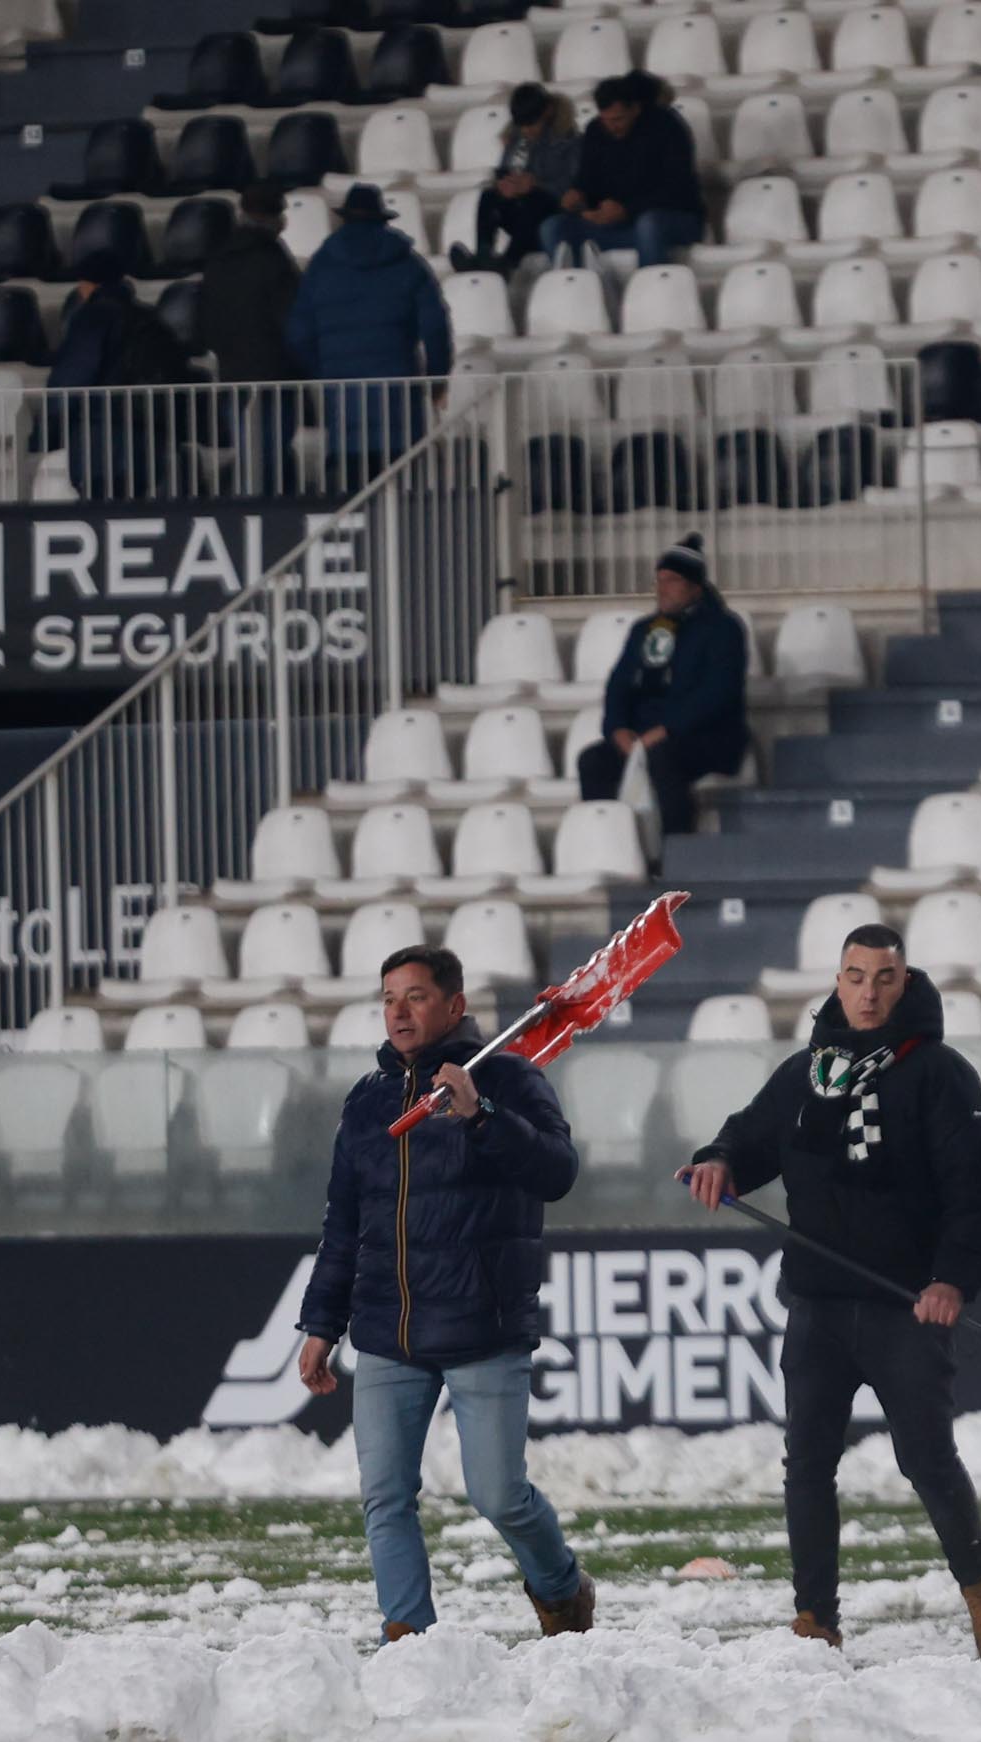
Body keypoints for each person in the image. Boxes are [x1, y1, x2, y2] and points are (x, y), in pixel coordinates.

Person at [681, 926, 981, 1658]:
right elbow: (751, 1137)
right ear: (837, 982)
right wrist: (719, 1159)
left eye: (885, 977)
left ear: (906, 982)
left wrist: (953, 1279)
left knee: (926, 1459)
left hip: (907, 1308)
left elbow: (979, 1193)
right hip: (817, 1306)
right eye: (856, 976)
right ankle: (815, 1619)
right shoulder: (809, 1069)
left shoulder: (941, 1072)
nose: (869, 992)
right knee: (808, 1463)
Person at [295, 944, 598, 1646]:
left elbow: (558, 1171)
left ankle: (561, 1588)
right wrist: (321, 1322)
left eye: (417, 996)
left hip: (481, 1324)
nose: (399, 1011)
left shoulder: (509, 1078)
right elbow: (344, 1219)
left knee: (497, 1494)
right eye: (389, 998)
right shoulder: (369, 1100)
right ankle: (410, 1637)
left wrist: (481, 1114)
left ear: (455, 1005)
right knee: (385, 1497)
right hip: (387, 1331)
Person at [579, 536, 750, 844]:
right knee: (593, 760)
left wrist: (667, 729)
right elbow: (618, 685)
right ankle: (608, 847)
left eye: (672, 580)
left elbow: (718, 693)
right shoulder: (645, 630)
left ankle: (676, 851)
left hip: (706, 738)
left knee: (664, 758)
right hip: (643, 738)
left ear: (695, 586)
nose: (662, 588)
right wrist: (617, 728)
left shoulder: (724, 629)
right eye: (659, 580)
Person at [287, 182, 452, 489]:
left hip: (344, 398)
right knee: (403, 499)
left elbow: (298, 334)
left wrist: (325, 374)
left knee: (355, 498)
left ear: (345, 219)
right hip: (399, 397)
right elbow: (435, 327)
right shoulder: (408, 263)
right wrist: (437, 379)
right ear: (381, 220)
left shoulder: (321, 266)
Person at [45, 249, 193, 495]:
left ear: (87, 285)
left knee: (99, 515)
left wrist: (48, 426)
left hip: (100, 441)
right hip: (147, 436)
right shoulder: (151, 319)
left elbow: (73, 375)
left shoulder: (91, 319)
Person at [195, 184, 308, 489]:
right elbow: (292, 320)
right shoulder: (274, 261)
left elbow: (205, 320)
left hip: (234, 375)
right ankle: (275, 517)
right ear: (277, 218)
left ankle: (249, 511)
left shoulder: (218, 262)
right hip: (274, 377)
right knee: (271, 457)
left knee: (249, 455)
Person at [549, 72, 705, 270]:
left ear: (636, 109)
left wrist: (627, 210)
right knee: (554, 228)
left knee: (649, 225)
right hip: (615, 222)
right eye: (606, 119)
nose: (611, 126)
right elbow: (587, 177)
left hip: (671, 219)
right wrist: (579, 195)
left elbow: (677, 189)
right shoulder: (596, 131)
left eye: (618, 119)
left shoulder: (667, 127)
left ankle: (648, 293)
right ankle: (579, 290)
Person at [454, 84, 585, 275]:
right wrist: (504, 185)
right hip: (521, 213)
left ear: (547, 112)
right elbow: (505, 170)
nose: (526, 130)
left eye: (531, 123)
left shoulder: (570, 143)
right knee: (489, 197)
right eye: (522, 125)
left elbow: (575, 189)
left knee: (535, 201)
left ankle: (508, 262)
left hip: (551, 216)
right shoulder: (516, 140)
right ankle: (483, 254)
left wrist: (536, 185)